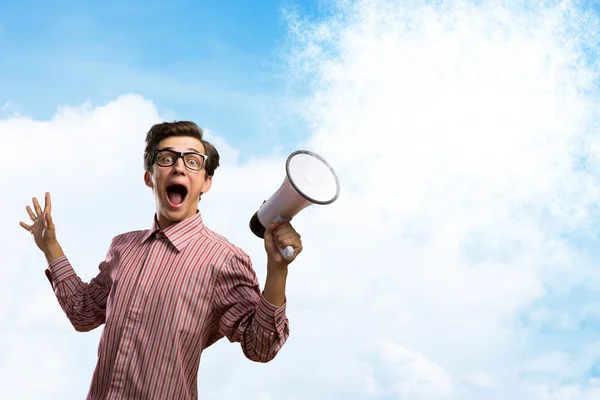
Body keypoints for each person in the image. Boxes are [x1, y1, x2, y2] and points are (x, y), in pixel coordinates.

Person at [19, 121, 302, 400]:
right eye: (167, 158)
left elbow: (261, 348)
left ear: (206, 182)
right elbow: (83, 314)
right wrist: (50, 246)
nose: (179, 167)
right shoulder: (123, 247)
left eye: (192, 161)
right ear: (149, 177)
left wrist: (277, 270)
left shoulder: (225, 260)